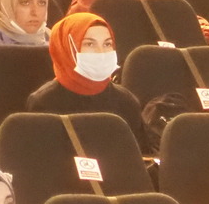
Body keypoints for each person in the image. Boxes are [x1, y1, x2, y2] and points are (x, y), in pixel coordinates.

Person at [26, 13, 153, 153]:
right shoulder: (44, 102)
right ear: (66, 48)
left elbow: (140, 159)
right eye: (89, 44)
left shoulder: (126, 102)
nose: (101, 52)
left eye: (107, 44)